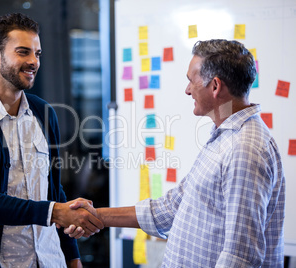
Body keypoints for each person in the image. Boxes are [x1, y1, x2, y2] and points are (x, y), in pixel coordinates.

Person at [66, 39, 286, 267]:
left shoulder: (244, 149)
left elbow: (240, 257)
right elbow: (172, 207)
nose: (187, 89)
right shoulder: (225, 136)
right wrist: (96, 216)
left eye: (191, 81)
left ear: (215, 86)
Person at [0, 13, 103, 268]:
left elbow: (54, 191)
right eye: (23, 52)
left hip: (51, 260)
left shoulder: (44, 112)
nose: (33, 62)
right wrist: (54, 212)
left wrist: (73, 258)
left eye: (37, 54)